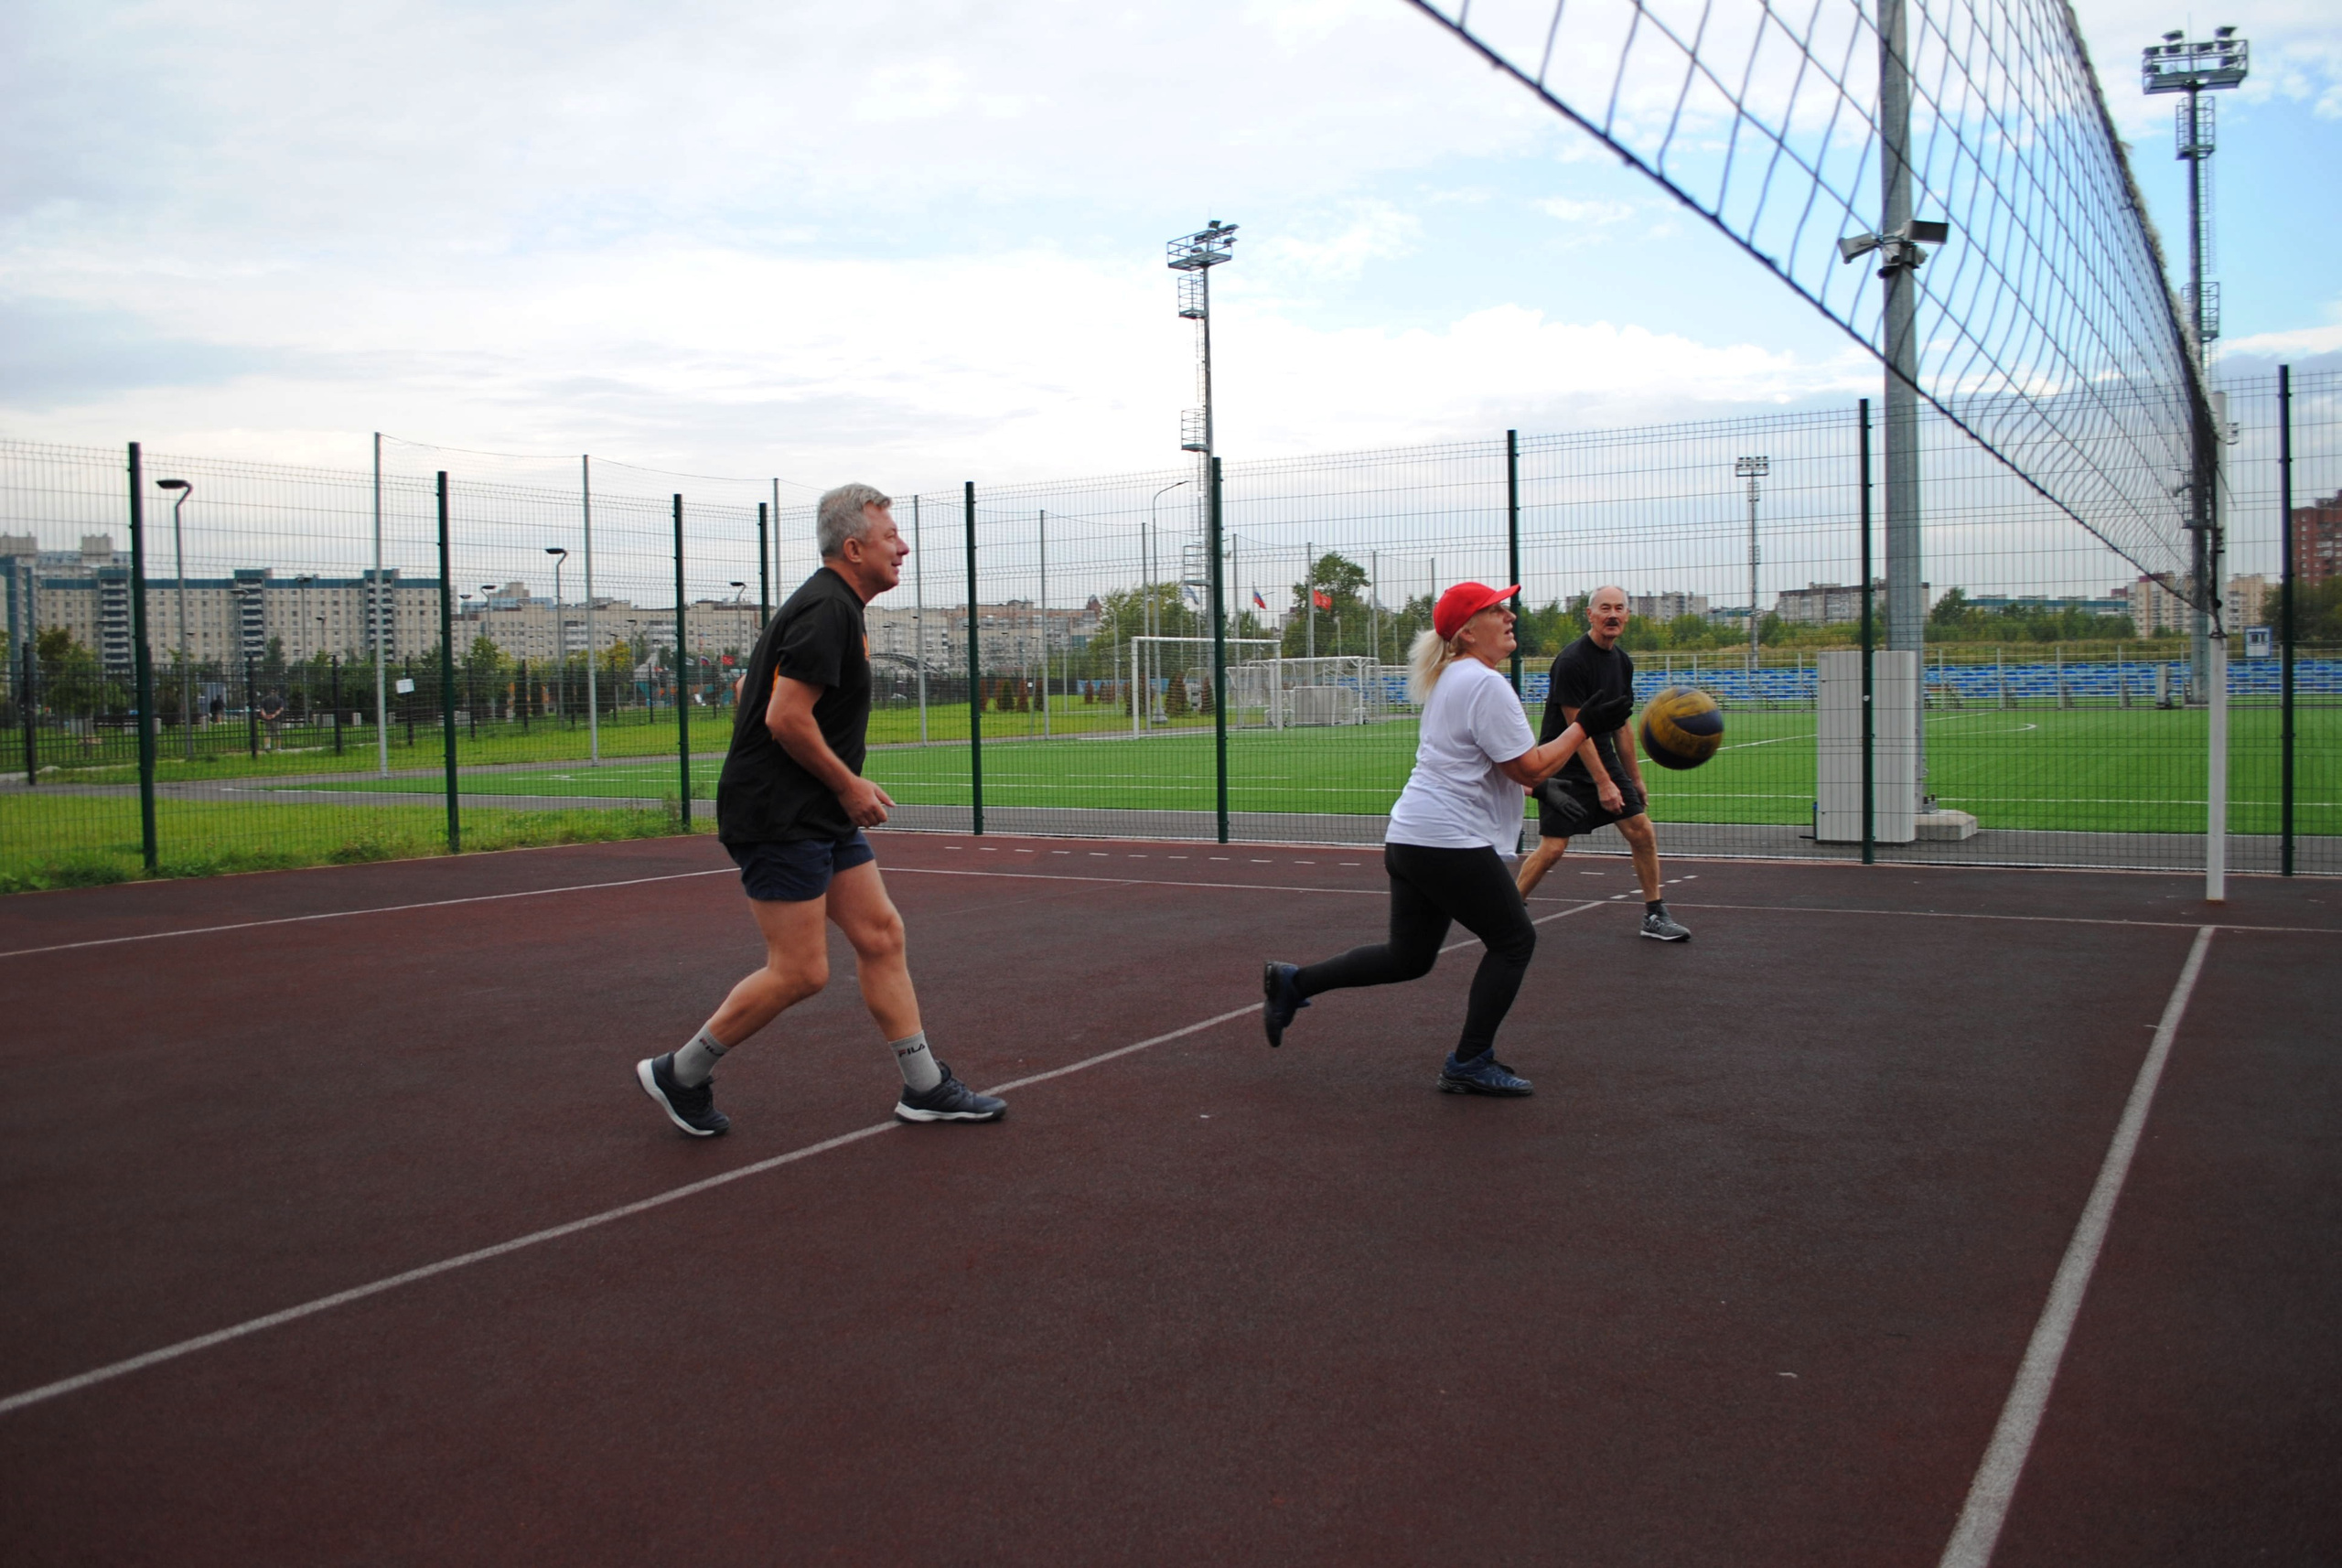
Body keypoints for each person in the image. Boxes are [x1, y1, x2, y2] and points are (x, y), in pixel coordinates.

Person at [636, 482, 1004, 1136]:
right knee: (801, 972)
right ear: (854, 548)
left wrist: (824, 777)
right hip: (781, 816)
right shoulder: (828, 608)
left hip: (810, 808)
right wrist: (846, 784)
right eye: (891, 538)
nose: (903, 548)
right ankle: (680, 1072)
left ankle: (925, 1087)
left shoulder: (832, 606)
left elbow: (751, 688)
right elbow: (783, 715)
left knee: (880, 934)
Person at [1261, 583, 1633, 1096]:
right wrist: (1583, 726)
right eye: (1496, 610)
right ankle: (1470, 1060)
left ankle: (1294, 982)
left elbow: (1489, 763)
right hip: (1447, 840)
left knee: (1408, 958)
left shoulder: (1454, 677)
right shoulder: (1484, 684)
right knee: (1515, 941)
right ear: (1467, 631)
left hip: (1413, 838)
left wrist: (1542, 787)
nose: (1510, 616)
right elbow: (1527, 764)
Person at [1513, 585, 1690, 940]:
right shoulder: (1571, 661)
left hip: (1603, 757)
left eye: (1619, 608)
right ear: (1590, 615)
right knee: (1553, 847)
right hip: (1563, 761)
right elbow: (1578, 729)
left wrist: (1634, 779)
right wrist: (1604, 783)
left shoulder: (1622, 662)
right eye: (1605, 608)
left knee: (1641, 831)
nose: (1613, 615)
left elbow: (1622, 725)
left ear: (1628, 616)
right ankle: (1509, 912)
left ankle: (1654, 914)